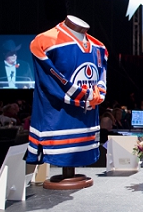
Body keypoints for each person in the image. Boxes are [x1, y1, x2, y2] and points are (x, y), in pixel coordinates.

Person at [26, 16, 107, 169]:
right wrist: (89, 97)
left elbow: (101, 80)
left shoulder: (99, 47)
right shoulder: (44, 41)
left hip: (87, 124)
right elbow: (51, 81)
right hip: (56, 124)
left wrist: (96, 96)